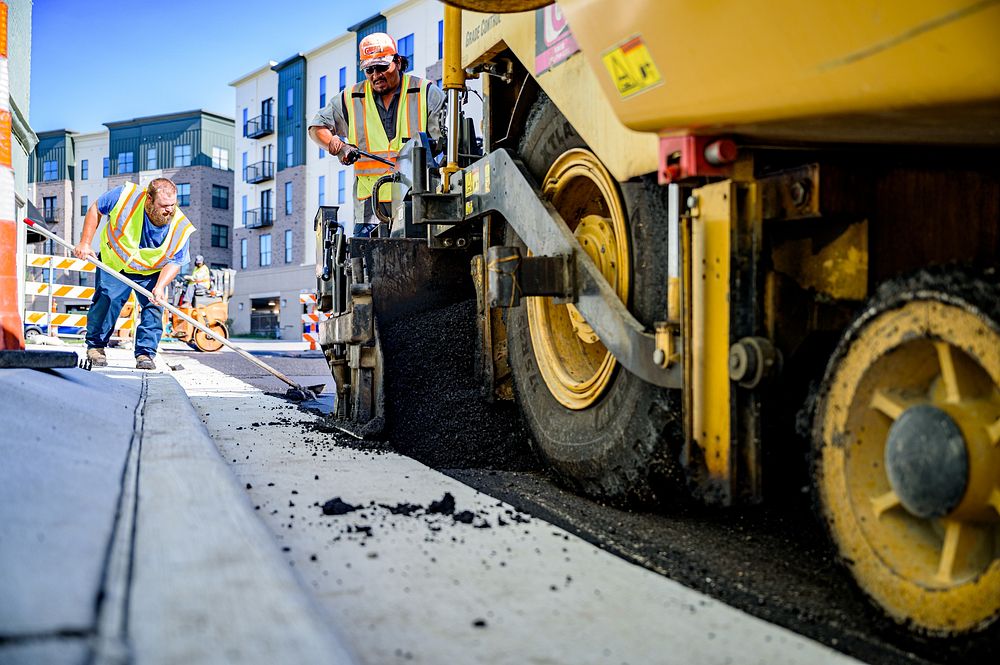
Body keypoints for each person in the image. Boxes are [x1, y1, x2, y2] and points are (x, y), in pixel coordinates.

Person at [308, 32, 445, 237]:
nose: (376, 75)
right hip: (370, 209)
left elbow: (445, 145)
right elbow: (316, 127)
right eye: (369, 70)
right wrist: (338, 146)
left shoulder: (426, 92)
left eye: (382, 67)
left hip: (417, 202)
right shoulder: (350, 98)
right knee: (363, 264)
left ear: (397, 62)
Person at [73, 178, 194, 370]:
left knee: (155, 305)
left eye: (172, 205)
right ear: (148, 199)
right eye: (163, 205)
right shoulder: (124, 196)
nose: (169, 210)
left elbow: (176, 261)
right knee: (108, 299)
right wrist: (85, 243)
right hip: (115, 262)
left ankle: (145, 353)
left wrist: (160, 286)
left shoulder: (180, 226)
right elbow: (96, 208)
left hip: (150, 270)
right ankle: (95, 347)